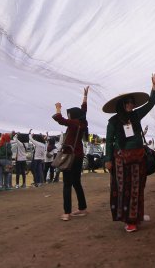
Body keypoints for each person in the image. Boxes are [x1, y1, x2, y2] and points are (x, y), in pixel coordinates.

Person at [104, 75, 155, 232]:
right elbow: (109, 141)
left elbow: (151, 104)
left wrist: (154, 88)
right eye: (127, 102)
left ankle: (135, 217)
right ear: (122, 104)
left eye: (131, 102)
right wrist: (108, 160)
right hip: (121, 160)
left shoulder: (136, 115)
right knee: (123, 190)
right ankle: (128, 220)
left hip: (138, 158)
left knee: (137, 189)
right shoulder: (113, 121)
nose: (130, 105)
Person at [53, 86, 90, 221]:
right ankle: (82, 208)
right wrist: (85, 97)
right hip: (79, 156)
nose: (69, 116)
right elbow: (84, 111)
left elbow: (59, 119)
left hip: (69, 155)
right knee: (76, 183)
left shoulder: (74, 123)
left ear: (73, 116)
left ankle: (67, 212)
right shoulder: (82, 122)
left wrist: (58, 108)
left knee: (67, 184)